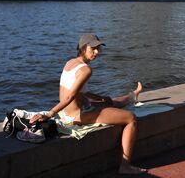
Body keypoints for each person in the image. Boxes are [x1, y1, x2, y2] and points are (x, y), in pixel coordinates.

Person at [29, 33, 146, 175]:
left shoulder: (70, 63)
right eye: (93, 48)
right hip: (80, 114)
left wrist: (99, 97)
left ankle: (132, 95)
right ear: (83, 48)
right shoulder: (86, 70)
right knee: (131, 118)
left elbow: (78, 91)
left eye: (99, 49)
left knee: (109, 102)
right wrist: (49, 113)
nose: (97, 52)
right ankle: (125, 165)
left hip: (69, 112)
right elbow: (69, 97)